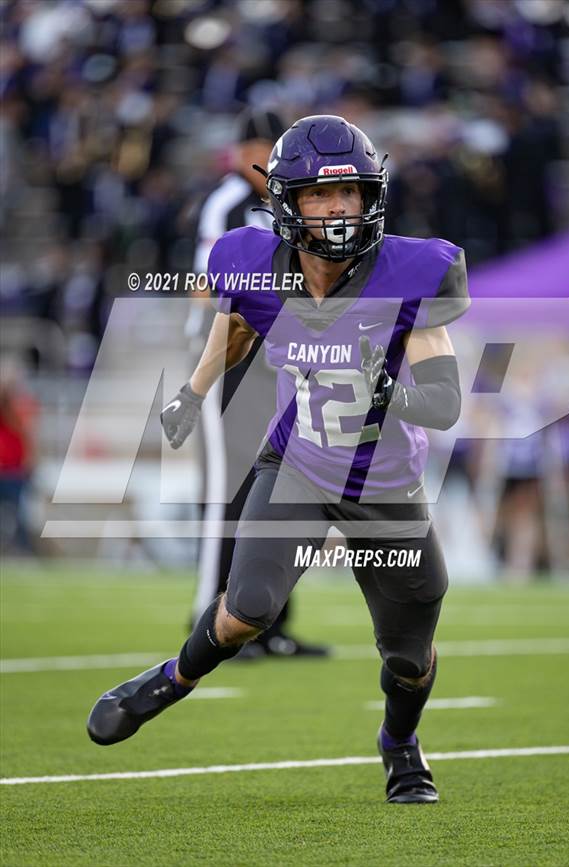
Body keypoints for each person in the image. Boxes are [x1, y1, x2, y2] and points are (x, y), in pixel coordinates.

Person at [87, 115, 469, 804]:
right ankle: (169, 678)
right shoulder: (249, 263)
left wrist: (393, 391)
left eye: (351, 193)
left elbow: (442, 400)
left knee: (409, 659)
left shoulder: (410, 272)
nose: (340, 209)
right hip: (298, 462)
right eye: (322, 197)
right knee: (247, 609)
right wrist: (192, 392)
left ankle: (400, 743)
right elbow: (235, 326)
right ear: (287, 202)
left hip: (386, 483)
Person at [189, 106, 329, 658]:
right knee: (231, 489)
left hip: (283, 356)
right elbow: (207, 287)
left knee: (283, 486)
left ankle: (269, 622)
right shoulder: (228, 204)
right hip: (235, 352)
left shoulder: (292, 204)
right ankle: (211, 616)